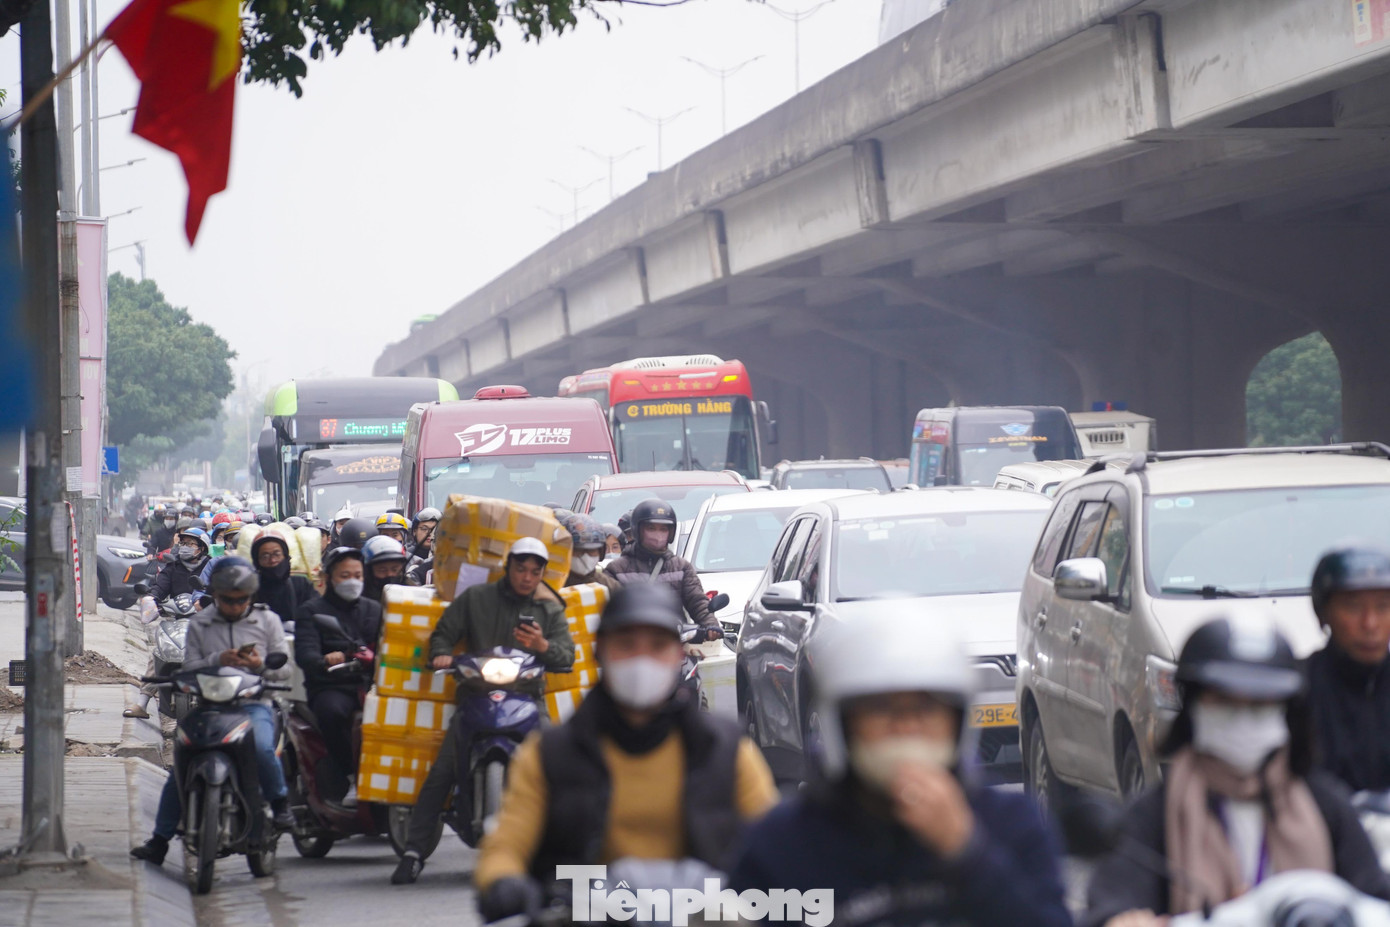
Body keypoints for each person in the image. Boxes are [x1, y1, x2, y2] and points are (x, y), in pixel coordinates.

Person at [730, 614, 1070, 926]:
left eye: (926, 708)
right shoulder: (784, 844)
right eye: (881, 709)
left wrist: (967, 850)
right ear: (843, 724)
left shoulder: (1010, 823)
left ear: (956, 722)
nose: (906, 727)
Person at [472, 582, 778, 919]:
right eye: (626, 645)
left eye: (657, 646)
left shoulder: (725, 750)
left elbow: (773, 846)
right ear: (600, 651)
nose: (641, 660)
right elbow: (506, 845)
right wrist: (503, 884)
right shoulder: (550, 755)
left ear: (678, 655)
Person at [1082, 615, 1390, 927]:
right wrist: (1124, 920)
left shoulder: (1325, 804)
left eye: (1260, 706)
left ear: (1286, 712)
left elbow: (1375, 894)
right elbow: (1112, 900)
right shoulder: (1156, 812)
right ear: (1194, 706)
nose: (1243, 719)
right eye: (1224, 702)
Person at [391, 537, 575, 885]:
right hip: (476, 695)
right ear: (508, 567)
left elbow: (567, 655)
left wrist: (542, 645)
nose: (527, 577)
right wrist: (441, 654)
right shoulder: (476, 598)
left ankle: (563, 855)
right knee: (442, 771)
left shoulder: (549, 609)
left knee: (557, 768)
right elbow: (443, 634)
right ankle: (413, 853)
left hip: (527, 698)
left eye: (535, 572)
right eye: (521, 569)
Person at [129, 558, 295, 865]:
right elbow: (190, 665)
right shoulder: (200, 623)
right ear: (215, 595)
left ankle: (281, 804)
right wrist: (219, 659)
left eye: (241, 600)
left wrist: (259, 665)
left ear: (250, 596)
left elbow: (283, 669)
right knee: (181, 764)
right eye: (227, 600)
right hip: (209, 704)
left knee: (261, 748)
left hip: (254, 702)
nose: (234, 606)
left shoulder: (267, 620)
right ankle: (160, 840)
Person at [293, 547, 383, 808]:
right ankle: (350, 775)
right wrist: (326, 660)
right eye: (345, 576)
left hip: (369, 684)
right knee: (332, 712)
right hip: (332, 685)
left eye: (358, 575)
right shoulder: (311, 610)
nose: (352, 581)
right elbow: (305, 653)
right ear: (329, 577)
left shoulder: (374, 609)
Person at [1306, 546, 1390, 793]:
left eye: (1383, 607)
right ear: (1324, 612)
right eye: (1353, 607)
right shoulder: (1300, 690)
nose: (1370, 624)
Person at [605, 498, 719, 641]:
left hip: (674, 642)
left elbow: (698, 601)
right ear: (638, 531)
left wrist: (710, 625)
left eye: (663, 529)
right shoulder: (616, 570)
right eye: (651, 529)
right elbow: (607, 612)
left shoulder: (681, 567)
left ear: (670, 533)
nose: (657, 535)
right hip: (630, 643)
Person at [251, 533, 315, 629]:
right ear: (257, 562)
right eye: (265, 556)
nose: (272, 560)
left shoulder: (302, 584)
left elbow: (316, 613)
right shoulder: (250, 589)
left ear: (285, 556)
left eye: (277, 554)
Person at [559, 513, 620, 591]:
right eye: (579, 550)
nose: (586, 556)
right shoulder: (552, 584)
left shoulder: (611, 586)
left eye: (592, 550)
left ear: (600, 552)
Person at [148, 527, 211, 603]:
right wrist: (152, 596)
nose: (185, 547)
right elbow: (161, 586)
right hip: (176, 609)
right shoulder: (174, 565)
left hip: (202, 609)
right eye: (183, 543)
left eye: (189, 544)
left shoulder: (210, 567)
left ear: (202, 548)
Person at [362, 535, 412, 602]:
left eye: (394, 569)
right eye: (382, 570)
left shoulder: (412, 591)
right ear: (369, 571)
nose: (389, 574)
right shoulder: (359, 596)